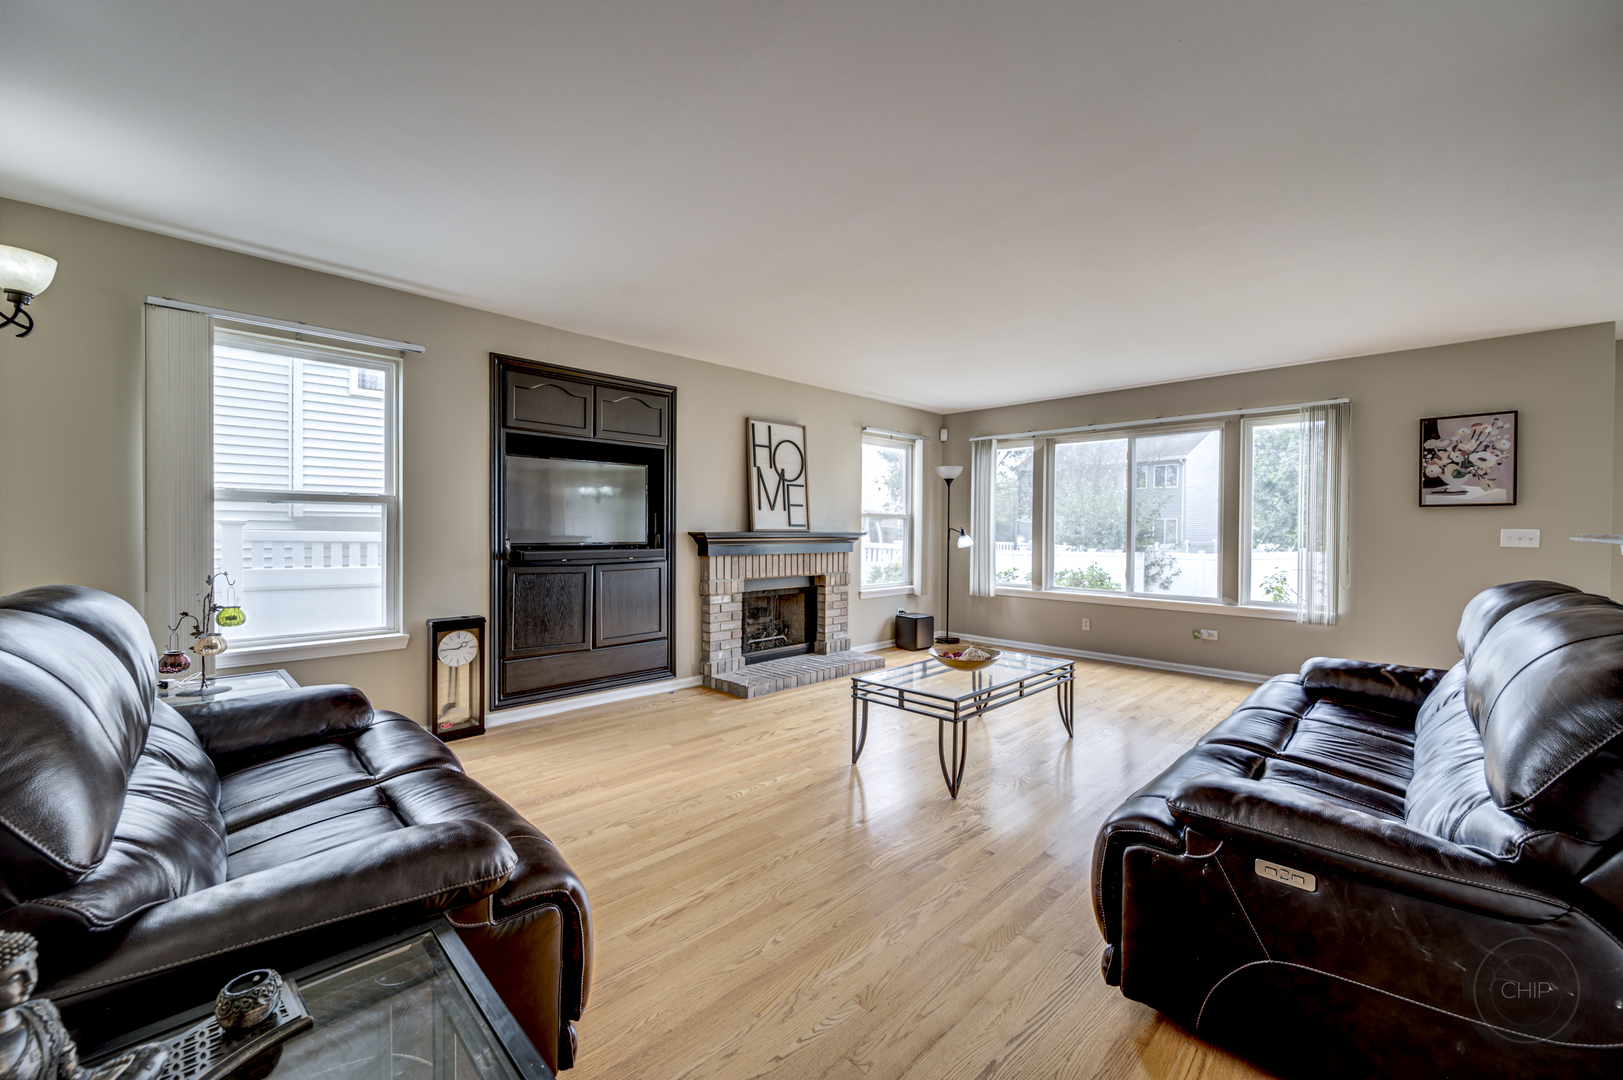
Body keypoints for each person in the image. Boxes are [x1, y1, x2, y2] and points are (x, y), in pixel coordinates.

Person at [0, 933, 166, 1080]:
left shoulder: (40, 1011)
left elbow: (73, 1073)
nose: (29, 981)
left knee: (153, 1053)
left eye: (32, 967)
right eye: (15, 978)